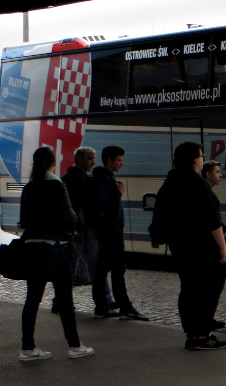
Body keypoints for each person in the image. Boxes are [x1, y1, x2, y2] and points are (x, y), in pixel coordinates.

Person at [18, 146, 94, 360]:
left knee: (32, 299)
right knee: (65, 299)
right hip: (57, 248)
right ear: (53, 163)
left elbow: (24, 221)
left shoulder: (29, 187)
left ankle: (28, 348)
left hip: (33, 248)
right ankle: (74, 345)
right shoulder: (57, 185)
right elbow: (71, 218)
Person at [153, 141, 226, 350]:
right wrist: (223, 247)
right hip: (202, 247)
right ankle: (203, 335)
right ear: (196, 159)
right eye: (202, 156)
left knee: (188, 288)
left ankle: (192, 333)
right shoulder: (196, 183)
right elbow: (212, 219)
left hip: (180, 246)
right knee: (207, 290)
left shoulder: (172, 180)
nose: (203, 159)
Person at [87, 145, 148, 321]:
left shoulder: (103, 176)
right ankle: (124, 306)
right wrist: (118, 192)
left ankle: (103, 305)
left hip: (108, 229)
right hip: (111, 230)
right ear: (109, 160)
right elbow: (104, 202)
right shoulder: (103, 178)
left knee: (103, 269)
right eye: (119, 160)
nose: (122, 163)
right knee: (116, 269)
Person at [57, 146, 115, 313]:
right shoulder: (81, 179)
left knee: (70, 268)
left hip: (72, 230)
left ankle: (60, 301)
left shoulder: (68, 177)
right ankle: (105, 300)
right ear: (80, 159)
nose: (93, 162)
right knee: (96, 267)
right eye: (90, 158)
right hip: (84, 229)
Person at [201, 159, 226, 330]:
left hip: (207, 244)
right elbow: (212, 221)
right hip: (209, 246)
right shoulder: (206, 193)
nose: (220, 175)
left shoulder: (207, 191)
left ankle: (208, 317)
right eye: (217, 172)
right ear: (208, 174)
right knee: (211, 285)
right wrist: (222, 246)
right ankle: (206, 318)